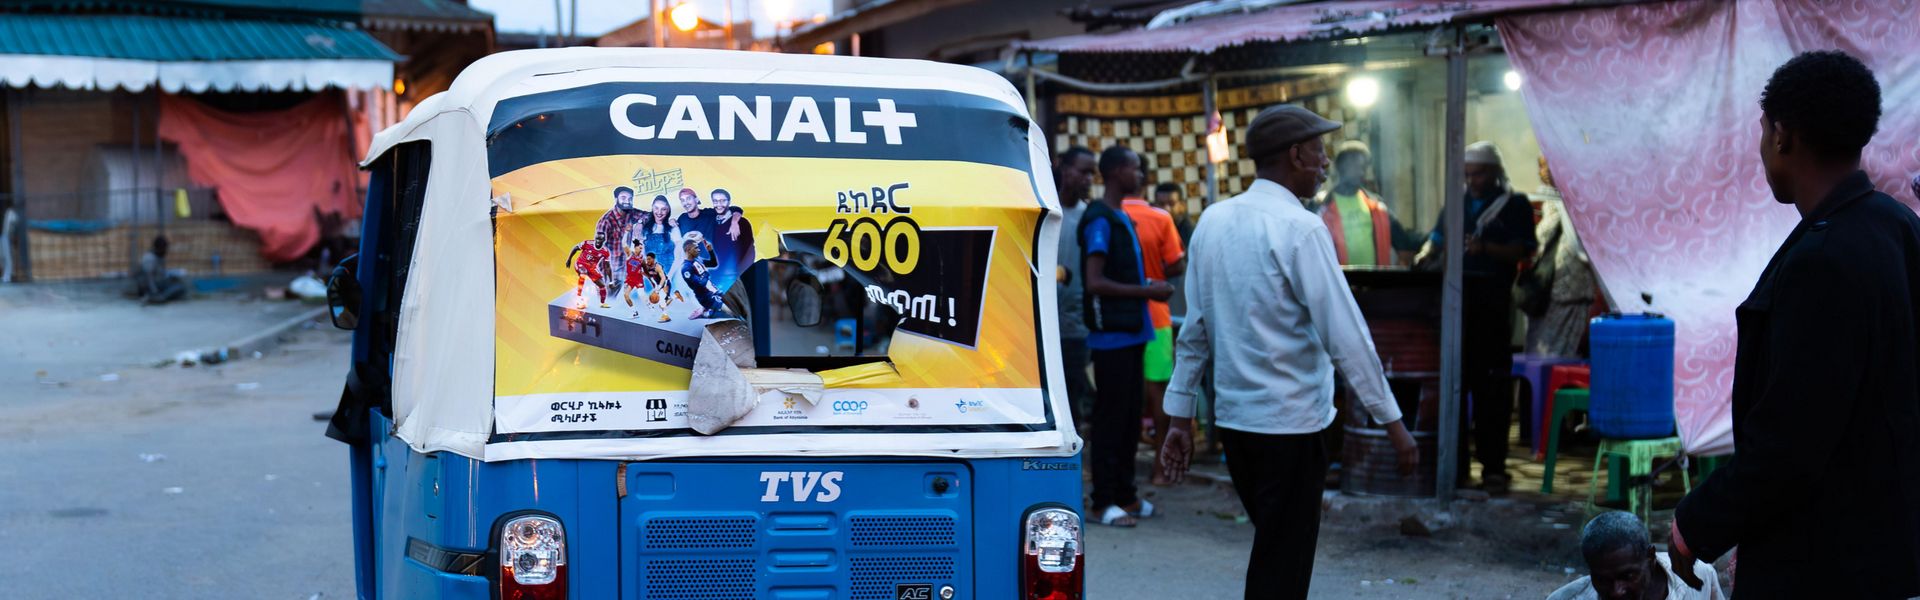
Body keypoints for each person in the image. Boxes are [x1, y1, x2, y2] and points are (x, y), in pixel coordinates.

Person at [1667, 50, 1920, 598]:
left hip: (1829, 561)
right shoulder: (1897, 227)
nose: (1760, 148)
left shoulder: (1824, 258)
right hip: (1893, 546)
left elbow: (1791, 441)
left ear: (1782, 136)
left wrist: (1695, 527)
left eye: (1762, 131)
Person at [1158, 105, 1417, 599]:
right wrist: (1394, 423)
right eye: (1319, 151)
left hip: (1236, 427)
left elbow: (1195, 331)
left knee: (1276, 548)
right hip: (1291, 428)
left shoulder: (1213, 221)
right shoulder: (1301, 228)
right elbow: (1347, 335)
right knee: (1283, 561)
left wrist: (1178, 416)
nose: (1325, 163)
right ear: (1296, 154)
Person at [1425, 140, 1536, 494]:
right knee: (1454, 389)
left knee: (1492, 391)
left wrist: (1485, 249)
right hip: (1457, 310)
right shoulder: (1456, 204)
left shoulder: (1514, 205)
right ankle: (1455, 468)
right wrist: (1425, 255)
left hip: (1492, 308)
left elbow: (1521, 250)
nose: (1473, 180)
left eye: (1479, 173)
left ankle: (1493, 467)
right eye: (1468, 174)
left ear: (1495, 172)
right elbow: (1437, 240)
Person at [1080, 144, 1175, 528]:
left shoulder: (1120, 217)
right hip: (1112, 338)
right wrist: (1147, 292)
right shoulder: (1100, 218)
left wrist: (1143, 285)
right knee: (1110, 420)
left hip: (1133, 332)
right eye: (1136, 169)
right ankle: (1103, 502)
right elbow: (1095, 281)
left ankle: (1127, 495)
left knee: (1129, 418)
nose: (1141, 175)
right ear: (1118, 172)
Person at [1123, 180, 1186, 484]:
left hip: (1119, 316)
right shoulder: (1161, 218)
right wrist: (1154, 275)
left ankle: (1121, 473)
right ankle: (1160, 471)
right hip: (1156, 316)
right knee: (1159, 396)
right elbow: (1177, 264)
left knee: (1121, 398)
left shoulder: (1105, 215)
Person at [1548, 511, 1723, 600]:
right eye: (1603, 580)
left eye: (1629, 576)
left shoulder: (1699, 575)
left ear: (1651, 557)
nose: (1617, 591)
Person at [1523, 157, 1596, 358]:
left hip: (1571, 295)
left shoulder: (1581, 200)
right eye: (1541, 166)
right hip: (1542, 294)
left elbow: (1582, 245)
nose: (1545, 171)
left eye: (1550, 165)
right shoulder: (1542, 202)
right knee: (1537, 355)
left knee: (1560, 356)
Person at [1313, 140, 1420, 267]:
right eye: (1355, 166)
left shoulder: (1377, 206)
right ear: (1340, 167)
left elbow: (1403, 243)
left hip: (1375, 284)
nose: (1361, 172)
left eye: (1363, 167)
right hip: (1339, 284)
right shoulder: (1320, 207)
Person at [1055, 147, 1097, 424]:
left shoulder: (1090, 216)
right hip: (1041, 325)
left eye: (1092, 174)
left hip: (1077, 326)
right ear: (1064, 169)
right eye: (1083, 172)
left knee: (1075, 395)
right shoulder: (1046, 211)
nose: (1088, 179)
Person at [596, 186, 642, 291]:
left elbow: (648, 215)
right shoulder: (606, 221)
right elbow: (598, 250)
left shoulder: (631, 213)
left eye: (630, 199)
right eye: (624, 198)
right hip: (612, 271)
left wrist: (640, 223)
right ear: (616, 199)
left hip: (626, 269)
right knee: (609, 300)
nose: (627, 201)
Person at [709, 188, 753, 287]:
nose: (719, 204)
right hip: (713, 279)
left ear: (729, 202)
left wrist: (737, 275)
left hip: (733, 280)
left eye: (723, 200)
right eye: (715, 201)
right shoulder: (711, 220)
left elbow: (750, 252)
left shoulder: (741, 223)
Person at [679, 233, 728, 320]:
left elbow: (713, 263)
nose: (699, 250)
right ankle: (706, 310)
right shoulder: (686, 268)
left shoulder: (698, 259)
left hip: (715, 291)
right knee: (732, 312)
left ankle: (707, 311)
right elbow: (700, 284)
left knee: (735, 305)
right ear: (688, 250)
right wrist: (706, 274)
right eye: (696, 248)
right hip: (706, 297)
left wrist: (710, 251)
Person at [134, 236, 189, 304]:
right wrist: (155, 292)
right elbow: (148, 278)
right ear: (160, 248)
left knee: (179, 286)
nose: (166, 251)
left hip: (158, 284)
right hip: (152, 288)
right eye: (165, 248)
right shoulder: (150, 258)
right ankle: (158, 298)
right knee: (179, 288)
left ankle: (159, 297)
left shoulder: (158, 257)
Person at [564, 237, 612, 309]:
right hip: (581, 263)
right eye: (597, 239)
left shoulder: (605, 251)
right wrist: (569, 259)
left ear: (603, 241)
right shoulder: (587, 243)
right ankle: (578, 296)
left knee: (602, 285)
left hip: (592, 268)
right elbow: (575, 248)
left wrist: (611, 280)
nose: (598, 241)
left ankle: (603, 303)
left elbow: (607, 266)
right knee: (583, 273)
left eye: (600, 239)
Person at [1154, 182, 1194, 246]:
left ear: (1182, 206)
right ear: (1154, 206)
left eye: (1171, 204)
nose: (1166, 209)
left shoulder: (1188, 230)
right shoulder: (1153, 226)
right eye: (1161, 204)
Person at [1, 196, 17, 283]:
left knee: (7, 257)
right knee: (2, 256)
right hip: (3, 236)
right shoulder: (6, 212)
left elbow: (13, 226)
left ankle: (7, 277)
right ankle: (5, 275)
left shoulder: (11, 213)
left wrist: (12, 237)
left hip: (6, 236)